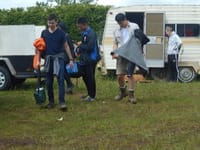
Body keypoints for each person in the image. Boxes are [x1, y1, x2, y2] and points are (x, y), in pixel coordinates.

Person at [41, 14, 74, 110]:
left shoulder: (61, 33)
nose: (50, 25)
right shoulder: (44, 33)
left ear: (56, 22)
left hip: (59, 59)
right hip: (48, 59)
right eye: (49, 23)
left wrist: (71, 59)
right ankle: (51, 102)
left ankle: (62, 102)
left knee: (60, 80)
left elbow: (66, 46)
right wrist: (38, 58)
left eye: (52, 23)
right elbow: (41, 46)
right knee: (48, 82)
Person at [112, 13, 141, 104]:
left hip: (132, 53)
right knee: (119, 75)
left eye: (122, 22)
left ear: (125, 19)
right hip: (121, 54)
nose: (121, 24)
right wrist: (115, 52)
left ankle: (131, 95)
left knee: (130, 74)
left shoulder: (134, 26)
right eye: (119, 23)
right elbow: (115, 43)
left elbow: (139, 39)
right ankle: (123, 92)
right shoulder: (116, 30)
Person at [76, 17, 101, 102]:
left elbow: (89, 47)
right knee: (85, 77)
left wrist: (80, 45)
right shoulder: (84, 33)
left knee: (90, 77)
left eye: (80, 27)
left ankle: (92, 96)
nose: (79, 28)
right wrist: (79, 50)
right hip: (85, 59)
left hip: (91, 59)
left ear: (84, 24)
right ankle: (89, 93)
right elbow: (84, 45)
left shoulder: (91, 33)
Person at [58, 22, 75, 94]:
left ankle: (69, 85)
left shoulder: (66, 36)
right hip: (62, 56)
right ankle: (69, 85)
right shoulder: (60, 35)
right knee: (63, 72)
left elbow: (71, 47)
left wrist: (71, 58)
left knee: (64, 72)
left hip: (66, 57)